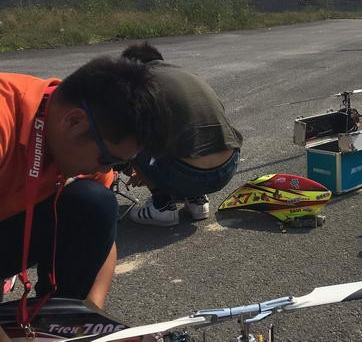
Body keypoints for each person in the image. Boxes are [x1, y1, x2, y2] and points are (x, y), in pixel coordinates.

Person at [0, 57, 167, 309]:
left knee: (94, 203)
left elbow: (101, 239)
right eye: (106, 158)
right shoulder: (5, 116)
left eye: (118, 164)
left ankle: (55, 316)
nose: (106, 169)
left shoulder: (82, 143)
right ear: (74, 122)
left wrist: (86, 316)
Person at [121, 42, 243, 227]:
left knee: (129, 137)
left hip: (188, 173)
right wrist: (148, 171)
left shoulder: (140, 84)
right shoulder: (189, 75)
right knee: (189, 134)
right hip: (227, 167)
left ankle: (162, 208)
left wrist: (138, 167)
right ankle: (197, 200)